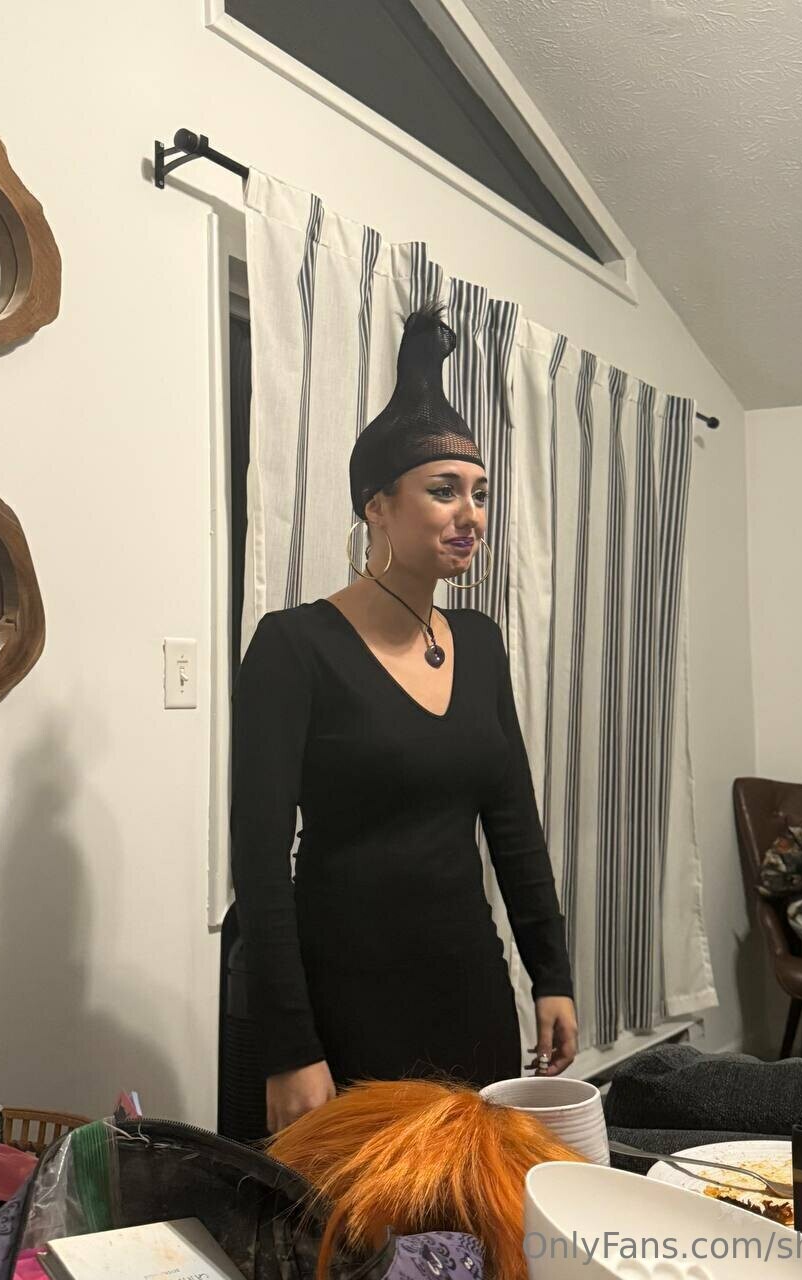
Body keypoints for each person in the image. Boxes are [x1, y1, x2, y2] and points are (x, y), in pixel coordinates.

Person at [231, 299, 577, 1134]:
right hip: (343, 998)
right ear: (376, 506)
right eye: (443, 491)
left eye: (480, 494)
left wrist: (551, 975)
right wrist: (289, 1046)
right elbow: (261, 862)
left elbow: (514, 824)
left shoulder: (480, 643)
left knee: (474, 1202)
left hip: (469, 987)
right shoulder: (294, 647)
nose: (471, 515)